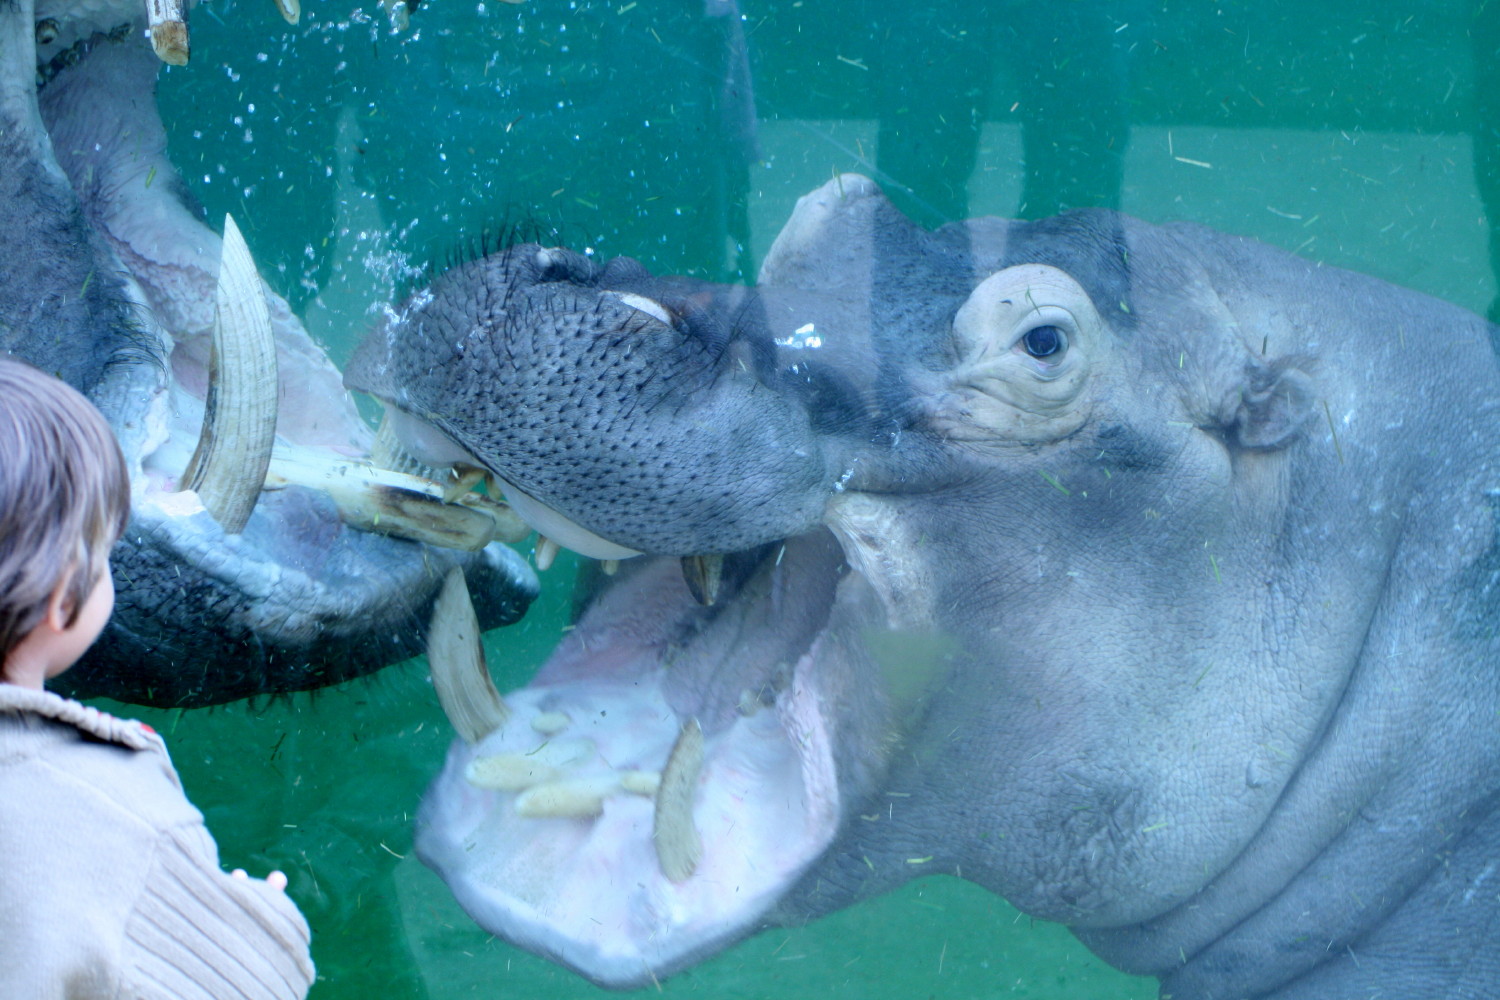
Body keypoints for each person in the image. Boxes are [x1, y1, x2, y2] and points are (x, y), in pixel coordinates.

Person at [0, 358, 315, 999]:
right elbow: (249, 985)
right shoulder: (119, 805)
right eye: (105, 545)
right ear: (64, 598)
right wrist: (269, 925)